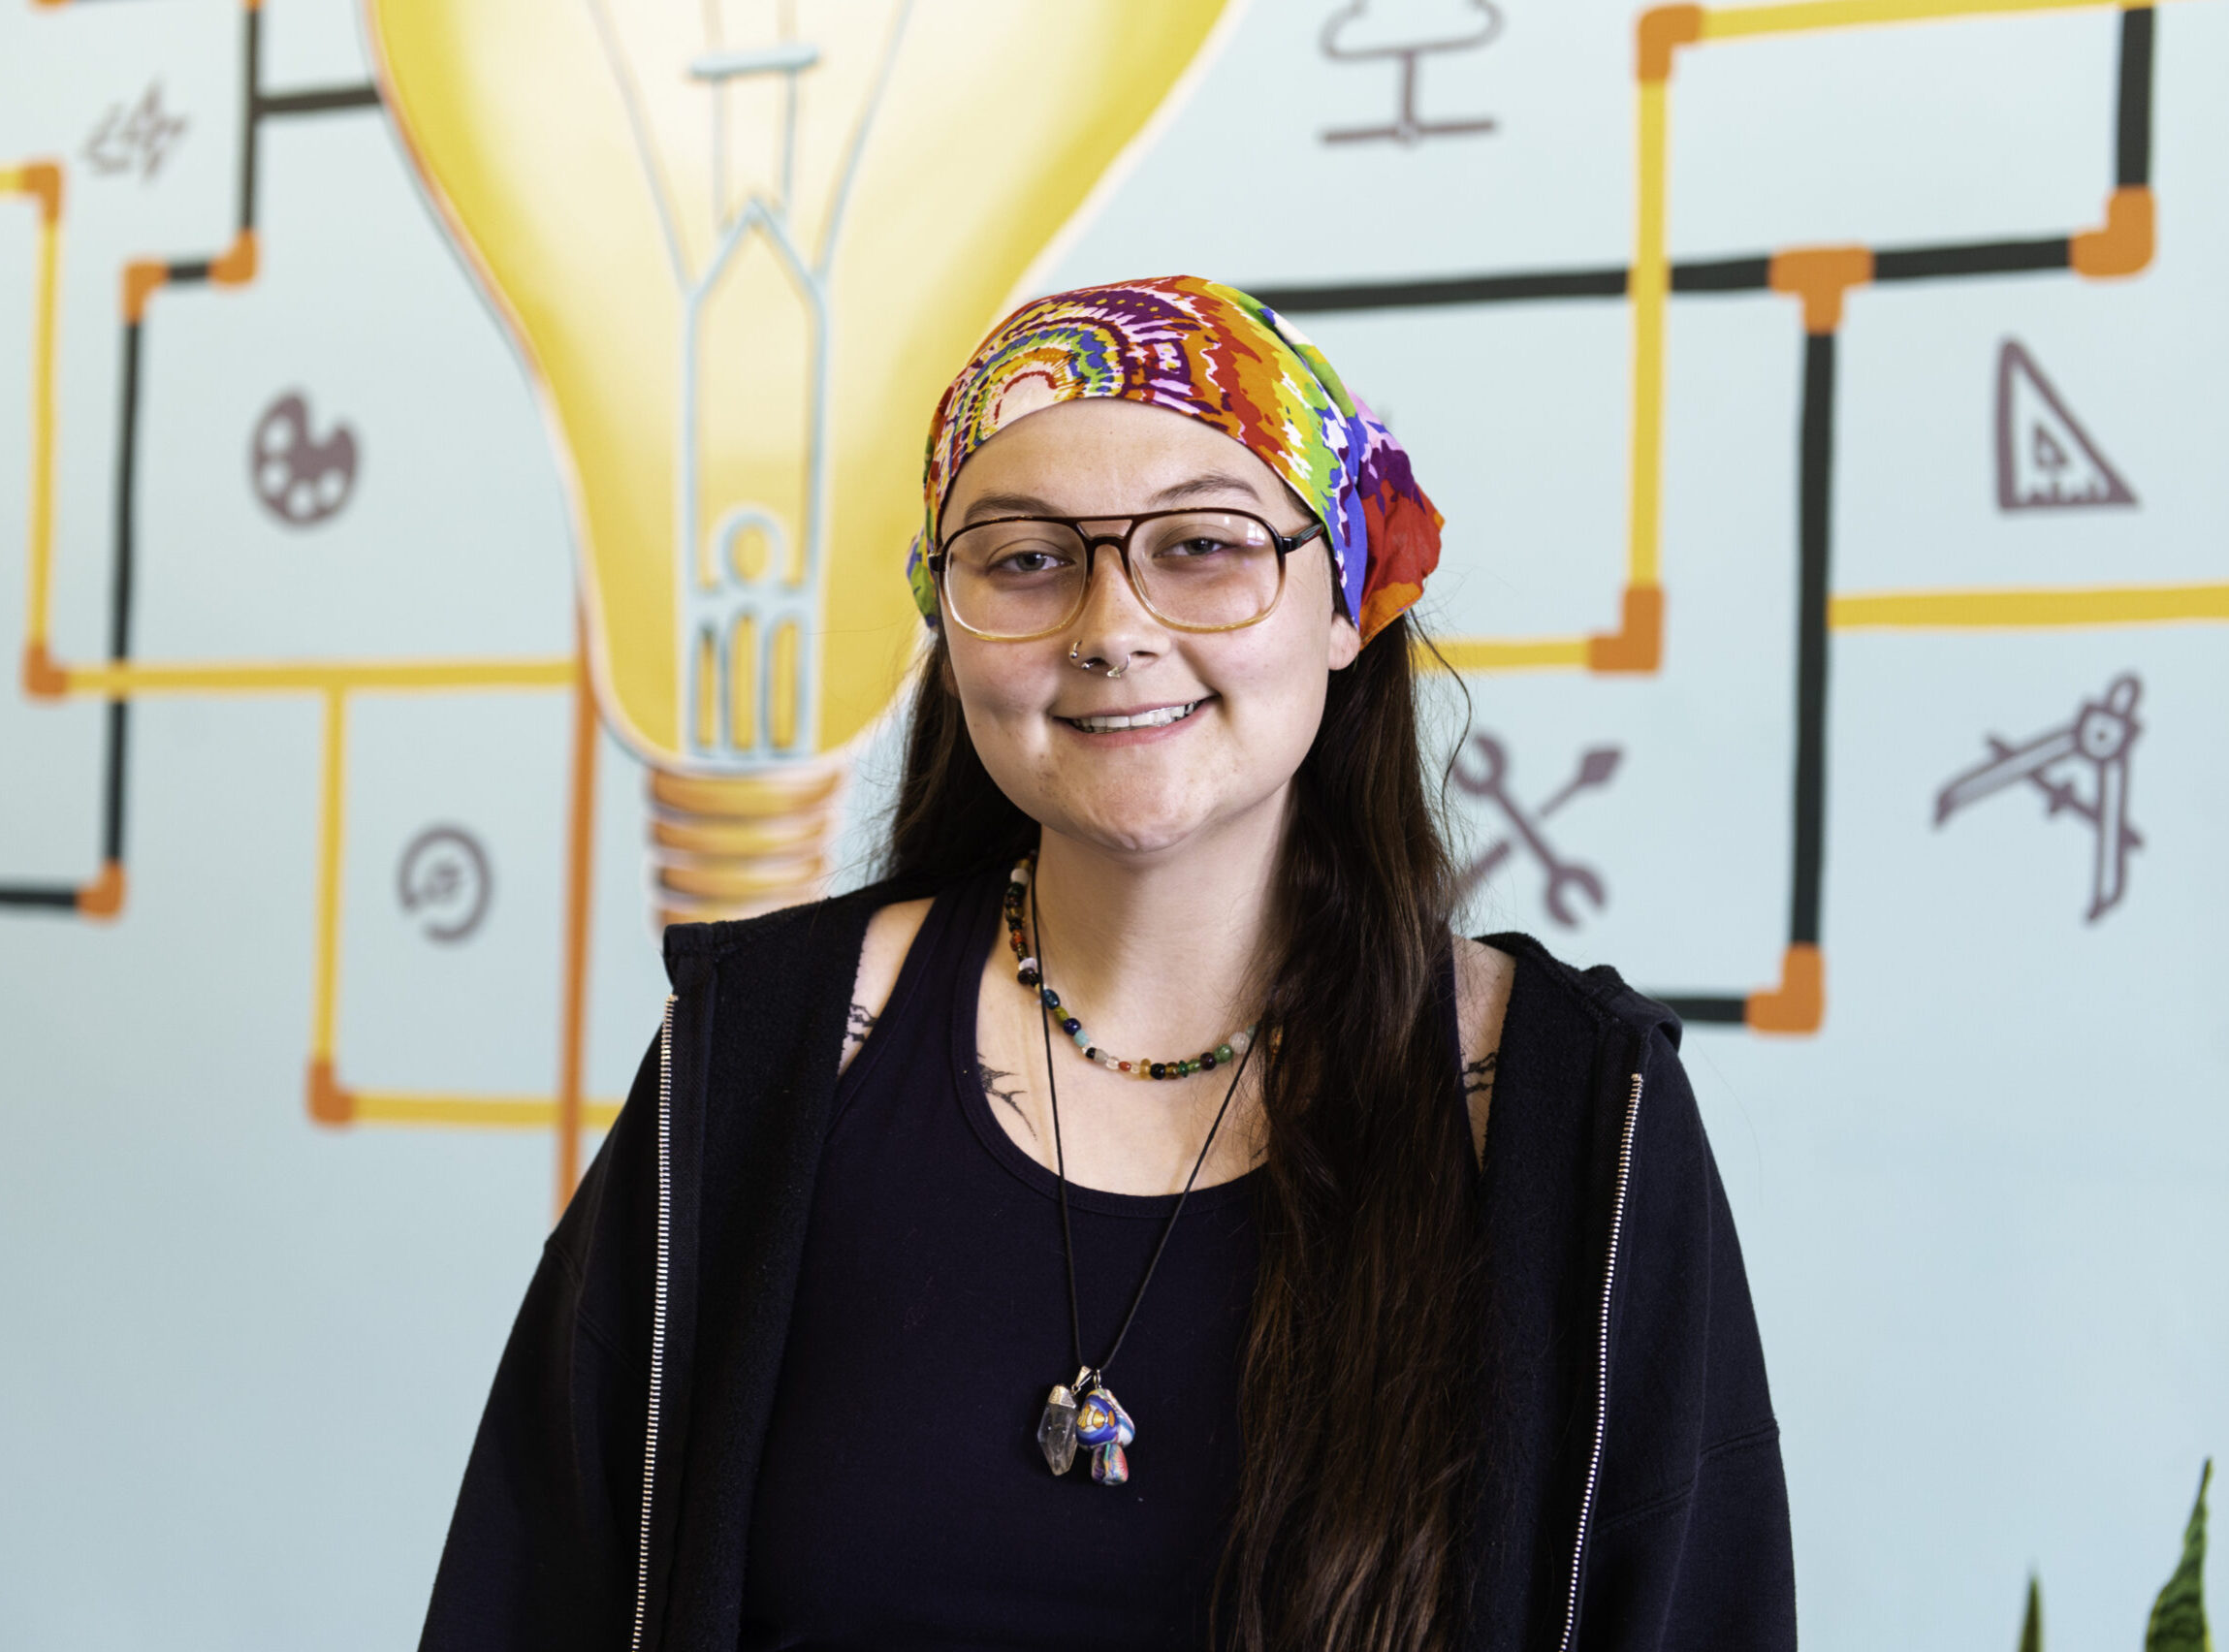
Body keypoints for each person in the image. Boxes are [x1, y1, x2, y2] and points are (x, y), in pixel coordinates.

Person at [419, 276, 1794, 1652]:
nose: (1113, 627)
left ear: (1344, 602)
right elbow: (527, 1596)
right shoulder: (763, 1060)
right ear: (950, 627)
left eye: (1201, 544)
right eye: (1025, 559)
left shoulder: (1569, 1119)